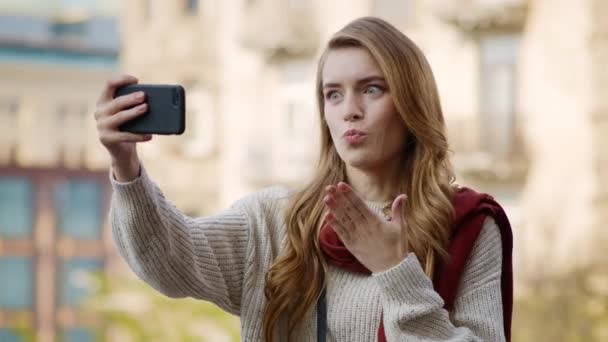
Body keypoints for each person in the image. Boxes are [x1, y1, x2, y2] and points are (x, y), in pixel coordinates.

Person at [95, 17, 512, 342]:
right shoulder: (274, 220)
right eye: (333, 94)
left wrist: (395, 271)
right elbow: (170, 261)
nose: (349, 109)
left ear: (410, 103)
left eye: (371, 89)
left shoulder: (466, 224)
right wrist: (125, 166)